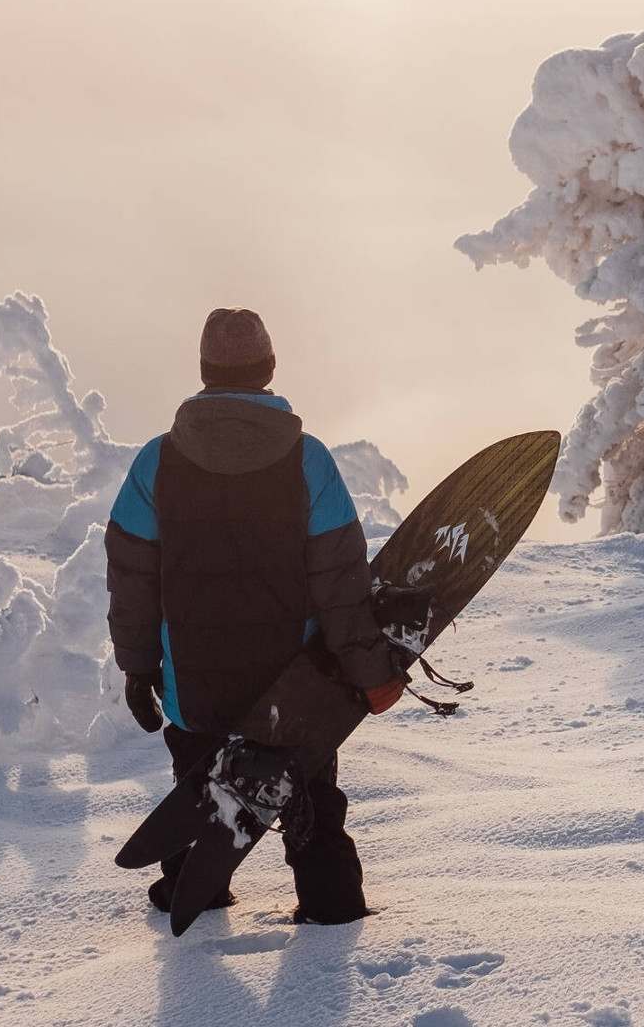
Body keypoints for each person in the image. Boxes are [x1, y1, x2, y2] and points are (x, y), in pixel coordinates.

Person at [103, 307, 404, 925]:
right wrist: (370, 669)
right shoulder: (308, 461)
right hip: (295, 688)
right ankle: (332, 909)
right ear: (269, 369)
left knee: (202, 802)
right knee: (313, 804)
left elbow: (131, 580)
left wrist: (137, 669)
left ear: (205, 372)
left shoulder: (154, 464)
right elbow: (342, 586)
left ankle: (196, 900)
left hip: (194, 683)